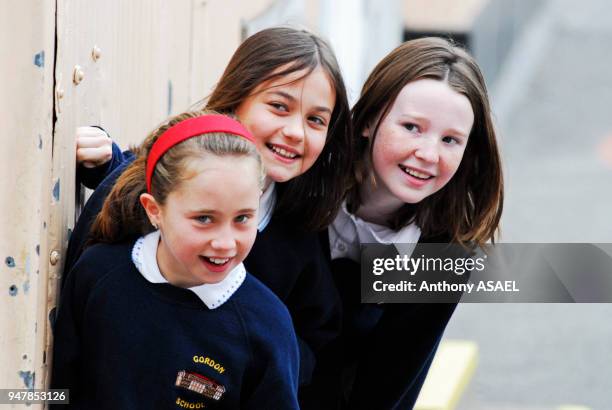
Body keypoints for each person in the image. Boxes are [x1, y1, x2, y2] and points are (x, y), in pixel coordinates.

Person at [65, 27, 353, 388]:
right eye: (279, 106)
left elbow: (316, 348)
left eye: (316, 120)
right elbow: (60, 378)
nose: (296, 131)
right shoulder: (109, 256)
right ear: (236, 99)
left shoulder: (304, 238)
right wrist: (106, 165)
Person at [305, 37, 504, 409]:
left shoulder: (443, 251)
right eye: (412, 127)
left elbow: (389, 386)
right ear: (368, 121)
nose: (428, 154)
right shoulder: (305, 189)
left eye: (450, 139)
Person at [51, 112, 300, 409]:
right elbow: (59, 391)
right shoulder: (97, 274)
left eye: (243, 218)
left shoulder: (268, 324)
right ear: (154, 210)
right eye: (204, 218)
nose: (225, 243)